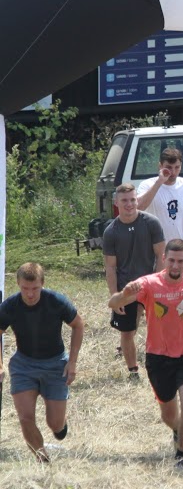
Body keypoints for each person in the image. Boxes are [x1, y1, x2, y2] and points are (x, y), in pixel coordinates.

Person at [108, 239, 183, 468]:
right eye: (171, 261)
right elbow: (113, 303)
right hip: (158, 358)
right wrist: (124, 294)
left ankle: (181, 454)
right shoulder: (149, 283)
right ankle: (178, 430)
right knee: (169, 416)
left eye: (180, 261)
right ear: (163, 259)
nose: (175, 266)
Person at [0, 263, 84, 462]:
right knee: (25, 417)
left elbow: (78, 325)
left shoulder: (55, 301)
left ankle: (60, 425)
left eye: (35, 288)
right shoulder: (10, 306)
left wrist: (72, 362)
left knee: (55, 424)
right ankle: (43, 460)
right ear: (18, 284)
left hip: (55, 364)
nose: (30, 294)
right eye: (25, 288)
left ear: (42, 284)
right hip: (23, 365)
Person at [103, 183, 165, 380]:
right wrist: (115, 296)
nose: (129, 204)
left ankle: (164, 363)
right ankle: (133, 371)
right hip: (127, 288)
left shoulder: (151, 223)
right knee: (127, 331)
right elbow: (110, 267)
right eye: (124, 201)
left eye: (132, 200)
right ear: (116, 203)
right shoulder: (111, 232)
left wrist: (158, 285)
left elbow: (161, 256)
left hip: (150, 284)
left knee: (161, 327)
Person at [136, 146, 183, 245]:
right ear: (160, 166)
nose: (173, 172)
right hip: (155, 248)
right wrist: (159, 182)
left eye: (177, 167)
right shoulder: (147, 185)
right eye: (168, 167)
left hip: (180, 248)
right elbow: (139, 207)